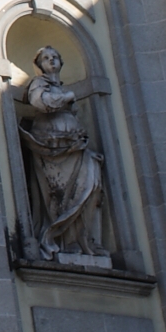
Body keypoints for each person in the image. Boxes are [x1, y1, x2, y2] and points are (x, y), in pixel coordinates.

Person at [19, 45, 106, 259]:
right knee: (58, 193)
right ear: (39, 65)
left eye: (55, 57)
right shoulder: (39, 84)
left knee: (90, 183)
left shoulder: (61, 87)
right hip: (50, 147)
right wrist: (66, 97)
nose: (51, 61)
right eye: (46, 58)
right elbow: (41, 102)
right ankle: (62, 241)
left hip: (75, 146)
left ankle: (83, 240)